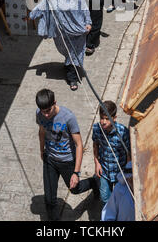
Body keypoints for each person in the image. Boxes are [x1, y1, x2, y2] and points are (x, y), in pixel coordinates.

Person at [36, 88, 99, 221]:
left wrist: (76, 173)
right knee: (49, 198)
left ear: (55, 103)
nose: (46, 115)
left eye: (48, 111)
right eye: (43, 111)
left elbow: (79, 145)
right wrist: (42, 150)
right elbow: (41, 132)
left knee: (75, 189)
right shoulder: (39, 113)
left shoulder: (68, 117)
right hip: (50, 159)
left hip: (67, 161)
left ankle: (94, 182)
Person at [29, 0, 91, 91]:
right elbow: (42, 5)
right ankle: (69, 64)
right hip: (61, 33)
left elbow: (85, 9)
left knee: (75, 53)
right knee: (67, 51)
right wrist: (32, 15)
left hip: (77, 30)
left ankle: (72, 78)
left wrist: (88, 23)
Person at [92, 100, 131, 207]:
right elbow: (95, 145)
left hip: (120, 171)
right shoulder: (96, 128)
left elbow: (128, 152)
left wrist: (127, 172)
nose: (103, 122)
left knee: (120, 198)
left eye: (107, 118)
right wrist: (97, 163)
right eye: (101, 118)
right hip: (104, 170)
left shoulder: (123, 132)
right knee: (105, 198)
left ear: (114, 118)